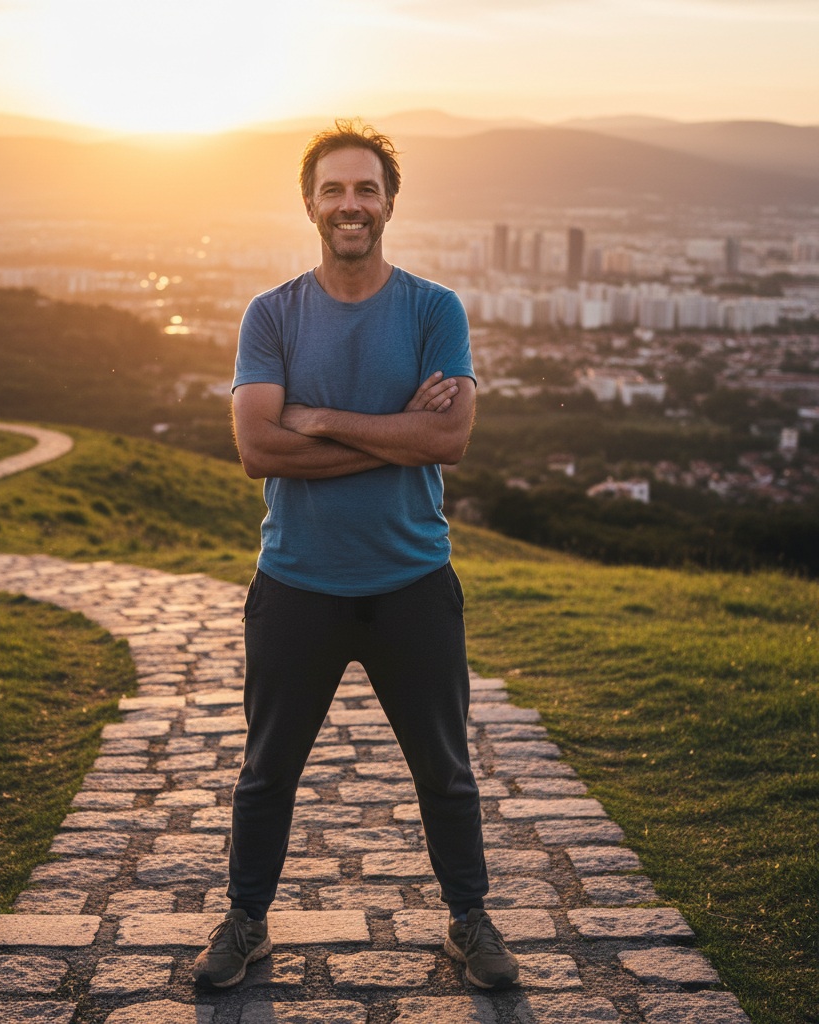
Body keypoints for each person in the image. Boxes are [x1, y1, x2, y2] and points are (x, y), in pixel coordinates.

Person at [192, 119, 519, 992]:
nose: (350, 204)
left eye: (365, 189)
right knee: (266, 771)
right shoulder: (271, 315)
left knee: (446, 771)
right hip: (296, 583)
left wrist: (324, 421)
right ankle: (247, 921)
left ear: (389, 203)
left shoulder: (433, 309)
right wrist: (394, 434)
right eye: (333, 189)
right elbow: (259, 449)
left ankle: (469, 920)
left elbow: (448, 439)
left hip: (413, 582)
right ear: (309, 204)